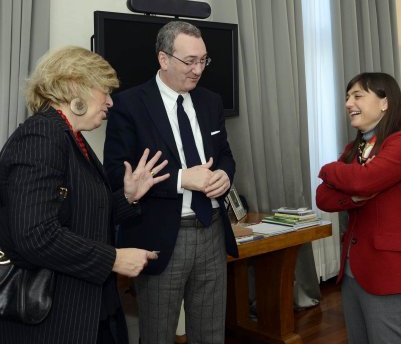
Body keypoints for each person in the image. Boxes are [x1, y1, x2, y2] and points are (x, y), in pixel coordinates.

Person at [0, 46, 170, 343]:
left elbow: (81, 217)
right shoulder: (40, 136)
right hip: (54, 319)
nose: (110, 101)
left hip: (92, 308)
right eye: (103, 90)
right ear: (75, 85)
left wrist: (128, 197)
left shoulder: (72, 137)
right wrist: (113, 259)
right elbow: (36, 235)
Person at [103, 20, 238, 343]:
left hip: (212, 230)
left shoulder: (210, 101)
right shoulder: (129, 105)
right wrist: (180, 179)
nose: (198, 70)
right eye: (189, 61)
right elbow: (115, 173)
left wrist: (224, 176)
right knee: (158, 334)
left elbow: (225, 156)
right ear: (164, 59)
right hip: (161, 237)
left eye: (203, 60)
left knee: (211, 334)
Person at [316, 72, 401, 343]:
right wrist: (352, 197)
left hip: (389, 272)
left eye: (357, 96)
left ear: (384, 103)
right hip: (353, 272)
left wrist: (328, 169)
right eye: (347, 97)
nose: (348, 103)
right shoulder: (354, 148)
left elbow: (364, 181)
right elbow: (322, 198)